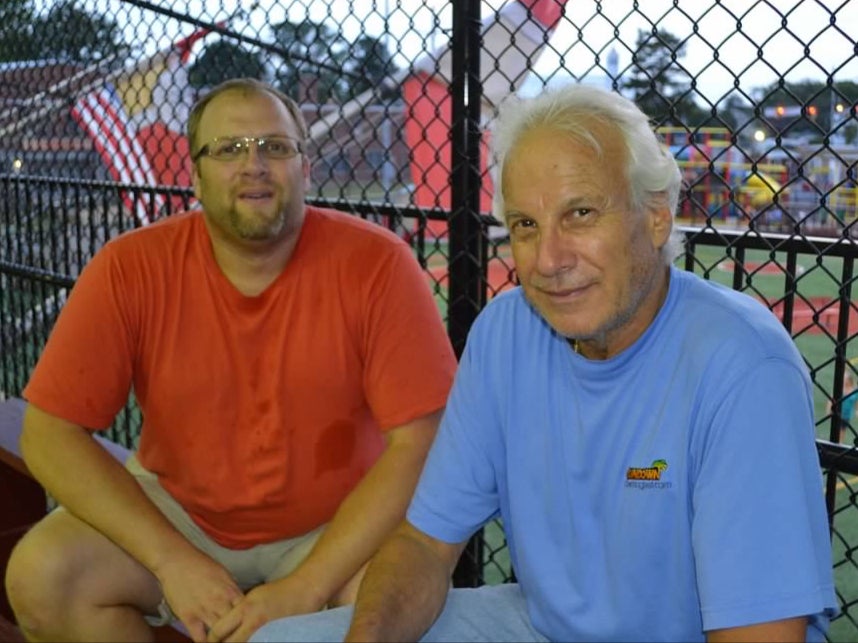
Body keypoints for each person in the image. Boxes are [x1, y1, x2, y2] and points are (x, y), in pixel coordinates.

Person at [248, 84, 838, 642]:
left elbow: (761, 633)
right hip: (538, 625)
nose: (549, 259)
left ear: (655, 216)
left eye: (580, 214)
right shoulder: (507, 331)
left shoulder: (739, 363)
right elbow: (425, 545)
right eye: (526, 225)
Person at [5, 78, 457, 643]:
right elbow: (49, 431)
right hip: (180, 511)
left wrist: (307, 586)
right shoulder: (130, 267)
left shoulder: (379, 264)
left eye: (276, 146)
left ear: (304, 167)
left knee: (394, 602)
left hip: (335, 521)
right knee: (44, 575)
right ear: (194, 174)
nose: (255, 166)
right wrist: (172, 561)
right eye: (228, 150)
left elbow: (421, 441)